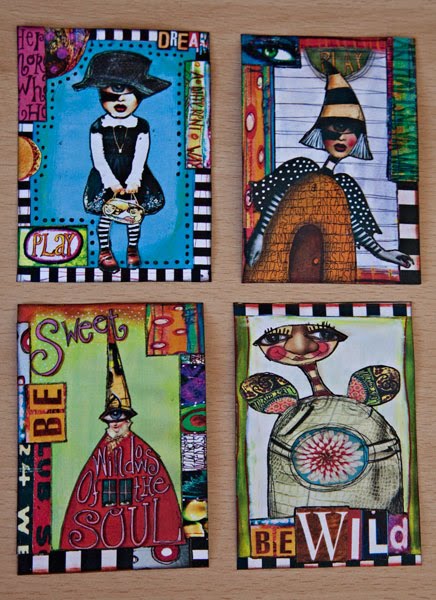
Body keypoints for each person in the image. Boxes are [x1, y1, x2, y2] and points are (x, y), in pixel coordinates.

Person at [244, 61, 413, 283]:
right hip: (278, 258)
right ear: (322, 131)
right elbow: (275, 201)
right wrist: (259, 236)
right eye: (335, 129)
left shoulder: (345, 186)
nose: (341, 137)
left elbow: (354, 227)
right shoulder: (301, 167)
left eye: (350, 132)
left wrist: (383, 253)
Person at [60, 336, 184, 562]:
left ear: (128, 420)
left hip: (137, 526)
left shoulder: (143, 453)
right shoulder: (100, 454)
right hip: (104, 528)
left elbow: (158, 493)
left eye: (120, 418)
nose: (115, 423)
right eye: (111, 419)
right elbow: (86, 496)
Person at [73, 51, 171, 272]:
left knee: (134, 214)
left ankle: (132, 248)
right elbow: (98, 158)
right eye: (111, 95)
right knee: (106, 214)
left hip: (134, 174)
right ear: (100, 96)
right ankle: (105, 250)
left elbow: (141, 154)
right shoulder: (98, 126)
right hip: (106, 175)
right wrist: (110, 182)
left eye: (128, 94)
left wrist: (135, 178)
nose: (120, 100)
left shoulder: (141, 126)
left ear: (140, 97)